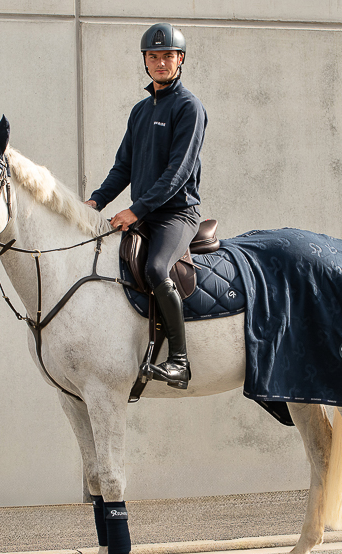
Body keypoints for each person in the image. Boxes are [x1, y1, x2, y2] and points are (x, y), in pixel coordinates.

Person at [85, 23, 207, 390]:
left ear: (179, 59)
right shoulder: (140, 111)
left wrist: (136, 210)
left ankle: (179, 363)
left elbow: (177, 173)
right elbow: (123, 166)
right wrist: (95, 201)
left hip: (176, 214)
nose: (159, 62)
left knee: (156, 268)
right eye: (152, 56)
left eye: (167, 56)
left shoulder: (189, 107)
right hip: (146, 213)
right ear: (145, 62)